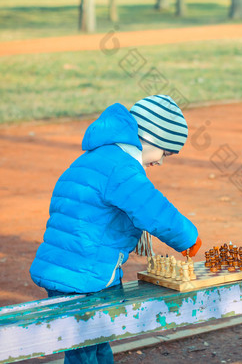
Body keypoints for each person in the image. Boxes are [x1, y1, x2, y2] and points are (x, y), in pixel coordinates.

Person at [30, 94, 202, 364]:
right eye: (165, 153)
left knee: (96, 344)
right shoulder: (121, 169)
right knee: (84, 351)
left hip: (72, 268)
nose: (160, 162)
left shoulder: (97, 157)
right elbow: (152, 208)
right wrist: (188, 238)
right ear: (150, 139)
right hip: (84, 277)